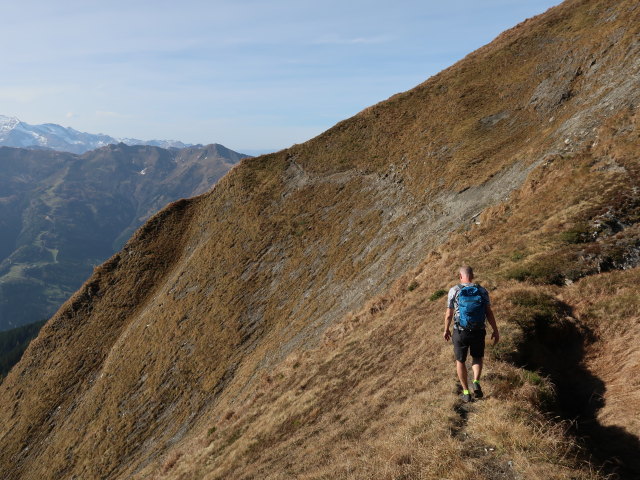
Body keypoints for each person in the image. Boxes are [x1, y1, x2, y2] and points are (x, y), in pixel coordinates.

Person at [443, 266, 499, 402]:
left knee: (460, 360)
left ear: (460, 276)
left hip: (460, 330)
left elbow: (449, 314)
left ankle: (466, 392)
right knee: (477, 357)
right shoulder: (482, 290)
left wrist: (446, 329)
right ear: (472, 276)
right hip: (478, 330)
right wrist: (495, 330)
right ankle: (476, 382)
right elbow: (488, 312)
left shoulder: (454, 290)